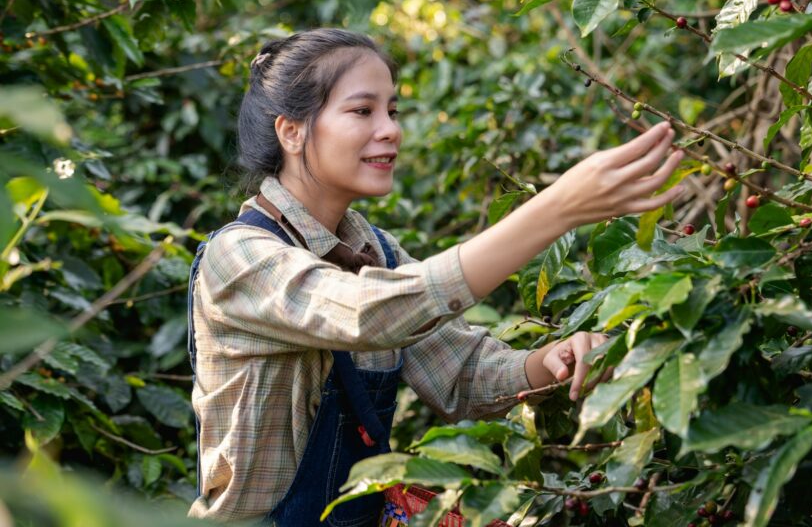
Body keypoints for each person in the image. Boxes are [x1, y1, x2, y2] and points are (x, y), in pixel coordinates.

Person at [186, 28, 684, 526]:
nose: (390, 130)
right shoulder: (239, 256)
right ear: (291, 131)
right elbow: (366, 312)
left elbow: (464, 375)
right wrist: (554, 211)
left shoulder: (377, 253)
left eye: (392, 112)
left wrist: (548, 362)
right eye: (363, 111)